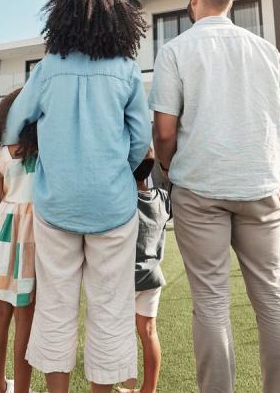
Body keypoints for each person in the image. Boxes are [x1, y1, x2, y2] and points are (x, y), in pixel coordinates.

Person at [149, 0, 280, 393]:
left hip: (199, 191)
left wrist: (168, 172)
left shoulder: (176, 50)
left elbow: (163, 132)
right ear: (229, 2)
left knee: (212, 303)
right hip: (261, 190)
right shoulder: (269, 53)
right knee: (272, 297)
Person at [2, 0, 152, 393]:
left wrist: (21, 146)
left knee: (55, 307)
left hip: (57, 205)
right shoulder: (126, 69)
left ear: (61, 20)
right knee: (110, 308)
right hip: (114, 208)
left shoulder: (49, 67)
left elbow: (15, 121)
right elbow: (140, 139)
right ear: (118, 23)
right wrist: (116, 169)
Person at [0, 89, 39, 393]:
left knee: (0, 314)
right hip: (34, 239)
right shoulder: (45, 154)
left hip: (2, 239)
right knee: (25, 318)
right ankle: (22, 389)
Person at [118, 151, 171, 393]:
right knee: (149, 333)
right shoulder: (161, 198)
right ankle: (148, 389)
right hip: (152, 278)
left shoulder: (122, 200)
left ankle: (126, 385)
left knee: (121, 335)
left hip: (126, 279)